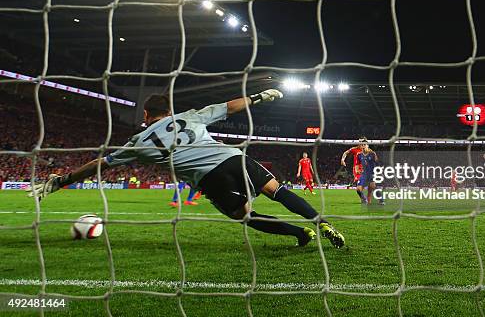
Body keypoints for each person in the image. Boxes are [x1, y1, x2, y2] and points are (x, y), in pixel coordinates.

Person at [27, 90, 345, 248]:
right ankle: (323, 223)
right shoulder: (189, 116)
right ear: (169, 110)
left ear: (148, 113)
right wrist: (259, 96)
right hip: (234, 157)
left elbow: (101, 164)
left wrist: (63, 180)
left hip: (209, 177)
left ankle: (300, 234)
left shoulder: (139, 140)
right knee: (277, 190)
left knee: (245, 215)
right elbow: (229, 107)